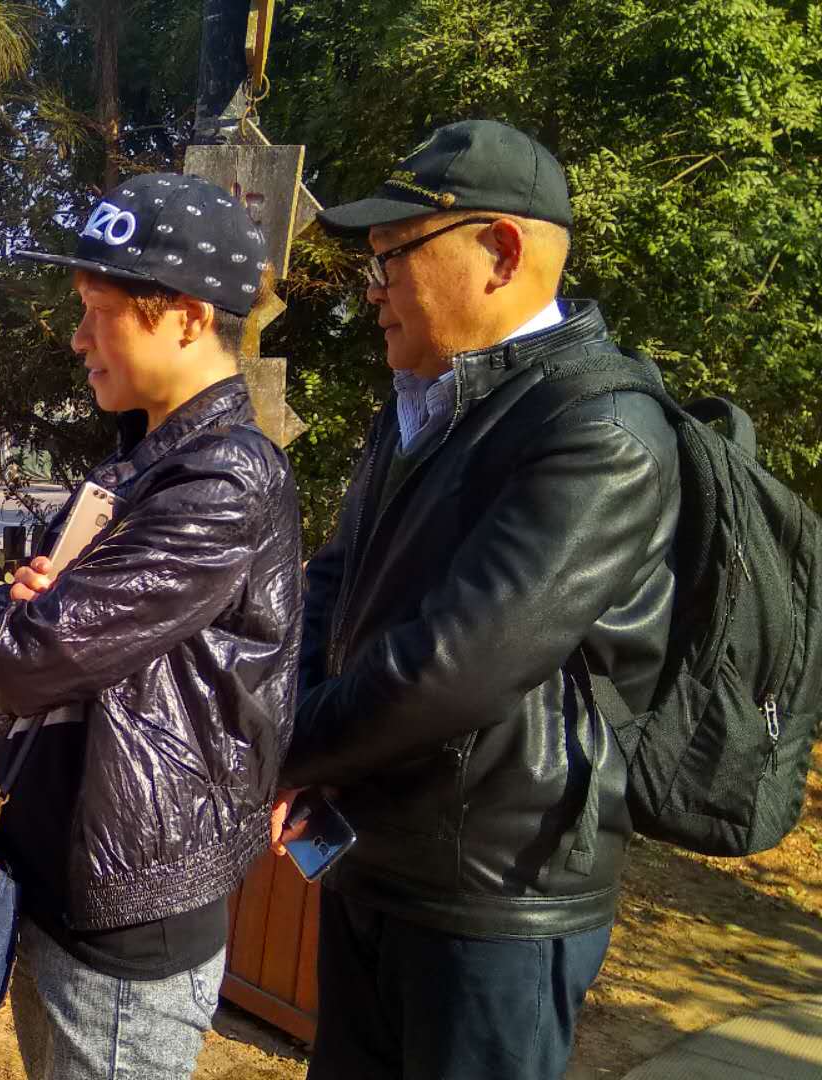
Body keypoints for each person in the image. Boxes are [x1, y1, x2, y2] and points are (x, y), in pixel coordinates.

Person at [273, 120, 682, 1079]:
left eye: (392, 258)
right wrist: (299, 724)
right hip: (375, 856)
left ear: (500, 251)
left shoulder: (601, 427)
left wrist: (273, 747)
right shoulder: (420, 401)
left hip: (495, 897)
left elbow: (455, 665)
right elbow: (334, 580)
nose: (372, 292)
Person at [0, 173, 303, 1078]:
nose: (78, 338)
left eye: (98, 312)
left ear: (187, 317)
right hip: (69, 881)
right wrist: (26, 609)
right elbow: (49, 624)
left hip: (126, 917)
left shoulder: (218, 481)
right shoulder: (147, 463)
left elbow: (29, 657)